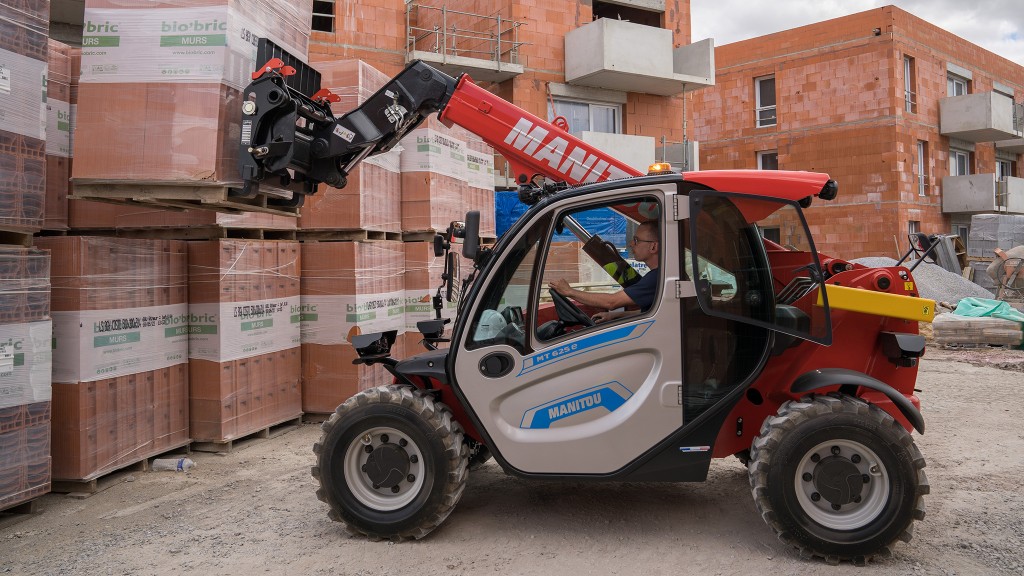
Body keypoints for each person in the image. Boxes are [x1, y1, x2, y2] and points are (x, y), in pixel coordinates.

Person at [548, 220, 660, 322]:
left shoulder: (655, 279)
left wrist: (569, 291)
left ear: (653, 247)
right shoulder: (657, 277)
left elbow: (611, 302)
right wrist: (616, 316)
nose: (631, 244)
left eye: (636, 240)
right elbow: (648, 311)